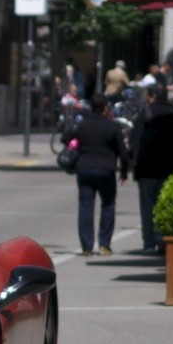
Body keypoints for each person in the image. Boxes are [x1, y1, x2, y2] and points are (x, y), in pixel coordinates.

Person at [63, 93, 130, 256]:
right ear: (105, 107)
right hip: (106, 169)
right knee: (108, 205)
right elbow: (123, 151)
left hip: (84, 168)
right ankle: (104, 245)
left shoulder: (83, 125)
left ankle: (87, 247)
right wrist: (124, 171)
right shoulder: (112, 126)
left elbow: (65, 138)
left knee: (86, 207)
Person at [132, 84, 173, 254]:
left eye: (146, 96)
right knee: (167, 206)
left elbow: (134, 140)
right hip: (171, 169)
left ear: (152, 97)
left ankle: (149, 243)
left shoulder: (146, 114)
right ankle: (164, 240)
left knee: (148, 207)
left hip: (148, 169)